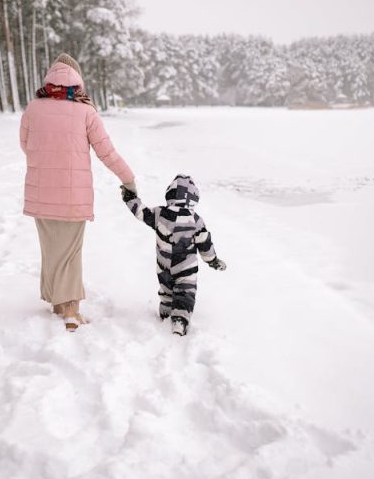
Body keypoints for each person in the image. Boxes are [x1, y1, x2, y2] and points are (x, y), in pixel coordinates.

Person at [20, 53, 135, 331]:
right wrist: (129, 179)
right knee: (70, 253)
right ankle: (70, 311)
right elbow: (107, 152)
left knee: (51, 251)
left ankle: (58, 304)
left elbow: (26, 145)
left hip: (40, 194)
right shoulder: (86, 111)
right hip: (74, 198)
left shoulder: (33, 108)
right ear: (77, 78)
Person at [120, 174, 227, 336]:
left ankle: (165, 313)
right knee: (185, 291)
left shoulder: (160, 214)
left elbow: (141, 212)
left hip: (163, 266)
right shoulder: (196, 220)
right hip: (186, 267)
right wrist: (212, 260)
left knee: (166, 291)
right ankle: (179, 320)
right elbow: (205, 244)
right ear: (194, 197)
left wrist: (130, 198)